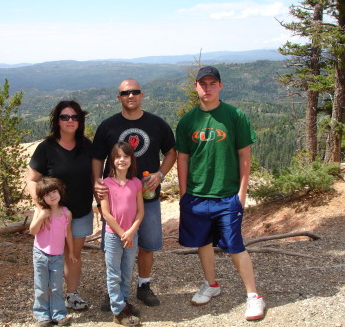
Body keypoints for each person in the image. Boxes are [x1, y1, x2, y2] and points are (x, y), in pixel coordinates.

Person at [175, 66, 266, 321]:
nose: (207, 87)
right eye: (202, 83)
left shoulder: (235, 116)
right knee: (203, 242)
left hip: (227, 195)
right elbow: (182, 158)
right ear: (196, 87)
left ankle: (253, 296)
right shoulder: (187, 120)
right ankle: (211, 284)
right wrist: (184, 194)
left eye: (212, 83)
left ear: (220, 86)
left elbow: (244, 157)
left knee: (235, 245)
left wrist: (241, 194)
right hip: (196, 194)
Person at [92, 78, 176, 308]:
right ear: (118, 97)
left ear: (142, 95)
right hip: (115, 196)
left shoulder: (156, 124)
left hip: (147, 195)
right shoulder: (108, 126)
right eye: (126, 93)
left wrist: (160, 174)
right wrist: (96, 182)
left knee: (147, 244)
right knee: (114, 245)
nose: (131, 96)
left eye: (135, 92)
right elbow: (97, 157)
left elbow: (171, 152)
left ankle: (143, 286)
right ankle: (114, 292)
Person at [27, 100, 93, 311]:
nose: (70, 121)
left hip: (81, 211)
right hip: (54, 214)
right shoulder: (46, 148)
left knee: (73, 254)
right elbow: (31, 179)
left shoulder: (87, 145)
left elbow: (95, 176)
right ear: (57, 120)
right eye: (65, 117)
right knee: (52, 257)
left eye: (74, 116)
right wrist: (40, 206)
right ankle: (49, 301)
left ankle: (71, 295)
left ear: (80, 120)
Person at [100, 142, 144, 326]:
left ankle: (125, 301)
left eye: (126, 156)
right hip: (113, 236)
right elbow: (106, 213)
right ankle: (117, 310)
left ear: (131, 159)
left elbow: (140, 211)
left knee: (126, 271)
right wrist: (121, 233)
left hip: (131, 234)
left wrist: (131, 232)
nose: (122, 160)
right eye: (118, 157)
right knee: (114, 273)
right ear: (112, 160)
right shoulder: (106, 183)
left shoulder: (136, 183)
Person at [30, 177, 75, 327]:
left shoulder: (66, 213)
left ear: (59, 192)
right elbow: (33, 231)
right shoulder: (41, 211)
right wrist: (42, 217)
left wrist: (71, 252)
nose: (52, 196)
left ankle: (59, 315)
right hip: (40, 254)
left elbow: (68, 233)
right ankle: (42, 316)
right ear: (42, 198)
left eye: (54, 191)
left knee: (56, 286)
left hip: (57, 255)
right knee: (41, 286)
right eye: (47, 194)